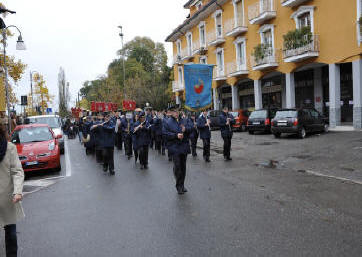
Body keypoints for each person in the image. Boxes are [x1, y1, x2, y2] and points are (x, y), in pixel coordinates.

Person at [0, 123, 25, 257]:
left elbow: (17, 172)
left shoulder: (9, 148)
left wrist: (17, 191)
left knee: (11, 234)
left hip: (8, 198)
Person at [163, 106, 191, 194]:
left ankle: (182, 184)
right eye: (174, 111)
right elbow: (165, 134)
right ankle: (178, 186)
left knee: (183, 167)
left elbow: (192, 128)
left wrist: (185, 129)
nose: (176, 113)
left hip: (183, 147)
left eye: (177, 111)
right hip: (174, 147)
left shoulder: (184, 120)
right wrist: (175, 135)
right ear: (171, 112)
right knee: (178, 167)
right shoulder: (167, 122)